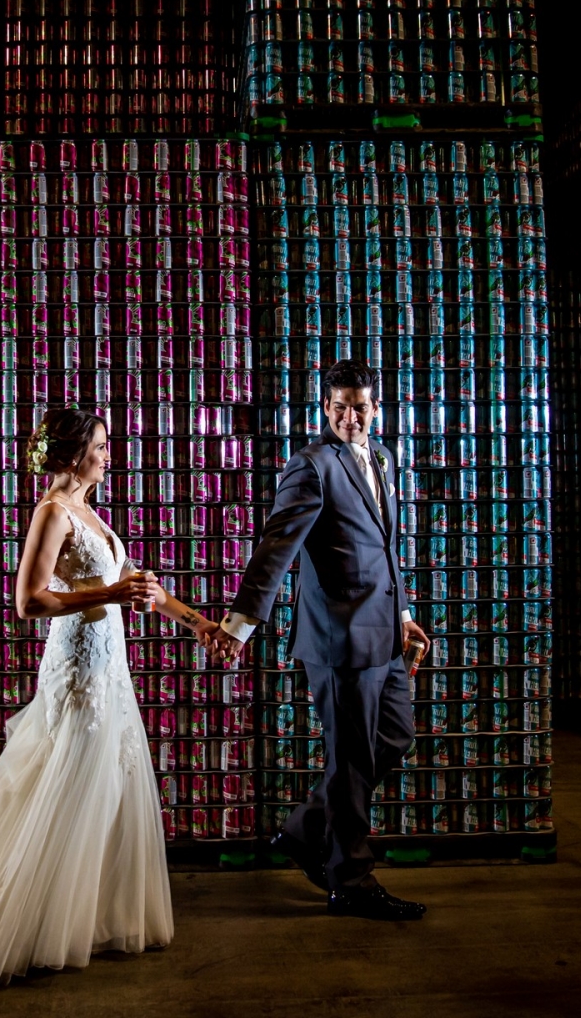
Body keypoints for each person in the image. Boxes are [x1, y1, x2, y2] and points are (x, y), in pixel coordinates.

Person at [0, 408, 212, 989]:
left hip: (108, 666)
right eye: (101, 446)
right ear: (74, 455)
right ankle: (21, 921)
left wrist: (197, 622)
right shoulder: (52, 513)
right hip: (77, 667)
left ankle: (81, 914)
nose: (109, 455)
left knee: (104, 786)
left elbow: (136, 585)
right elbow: (28, 601)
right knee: (66, 779)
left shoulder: (90, 514)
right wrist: (106, 591)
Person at [200, 359, 433, 921]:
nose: (350, 416)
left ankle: (305, 831)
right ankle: (349, 877)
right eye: (339, 408)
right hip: (339, 639)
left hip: (385, 633)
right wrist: (238, 625)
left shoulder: (382, 458)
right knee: (351, 763)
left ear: (375, 408)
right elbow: (275, 548)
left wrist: (403, 614)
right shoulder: (310, 467)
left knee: (395, 737)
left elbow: (383, 547)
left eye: (360, 406)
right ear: (325, 410)